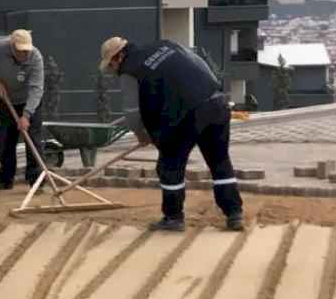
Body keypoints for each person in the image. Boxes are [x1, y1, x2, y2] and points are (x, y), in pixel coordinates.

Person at [99, 36, 244, 232]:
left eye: (111, 65)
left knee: (170, 166)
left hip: (184, 116)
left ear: (118, 57)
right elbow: (200, 63)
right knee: (219, 161)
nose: (112, 70)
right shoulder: (166, 45)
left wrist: (142, 136)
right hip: (215, 103)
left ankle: (173, 218)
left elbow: (133, 113)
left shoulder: (130, 71)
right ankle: (234, 213)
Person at [0, 29, 45, 190]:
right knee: (5, 143)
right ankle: (5, 179)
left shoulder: (35, 57)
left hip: (29, 102)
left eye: (26, 50)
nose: (24, 54)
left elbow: (36, 89)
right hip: (5, 100)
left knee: (34, 143)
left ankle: (36, 181)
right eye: (20, 50)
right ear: (12, 46)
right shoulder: (0, 49)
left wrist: (26, 115)